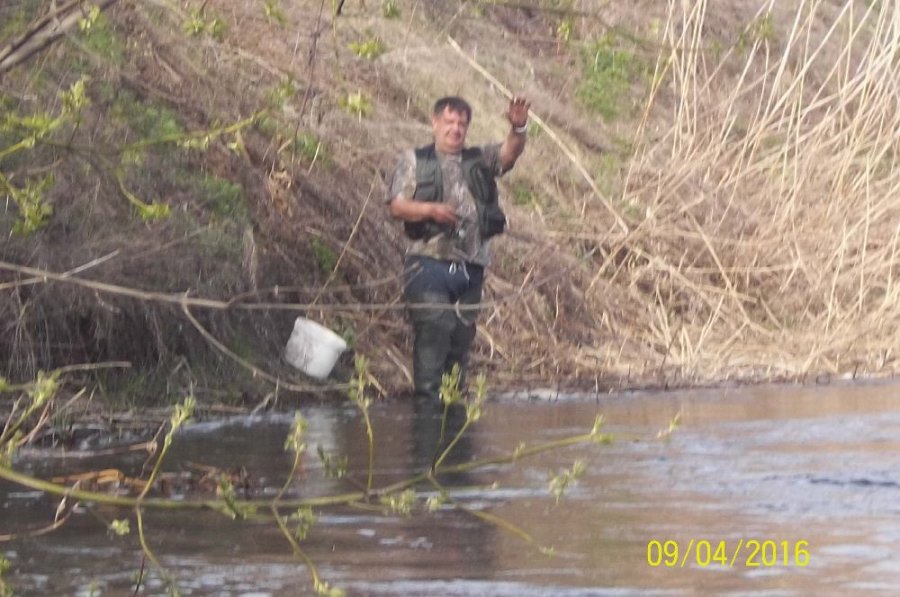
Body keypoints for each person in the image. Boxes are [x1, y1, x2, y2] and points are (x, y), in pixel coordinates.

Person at [386, 95, 530, 400]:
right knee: (435, 327)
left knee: (461, 337)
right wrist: (431, 211)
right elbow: (397, 207)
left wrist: (518, 128)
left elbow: (509, 154)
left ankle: (453, 407)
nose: (455, 129)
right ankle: (428, 404)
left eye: (461, 124)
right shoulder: (415, 160)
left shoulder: (481, 159)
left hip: (471, 268)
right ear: (435, 123)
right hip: (427, 264)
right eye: (449, 122)